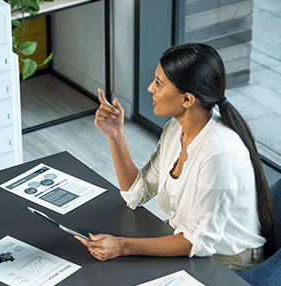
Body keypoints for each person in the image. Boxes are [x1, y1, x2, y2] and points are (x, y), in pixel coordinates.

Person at [79, 43, 275, 272]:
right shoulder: (175, 128)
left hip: (227, 261)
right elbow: (137, 193)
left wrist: (123, 246)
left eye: (159, 84)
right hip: (187, 241)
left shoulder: (219, 154)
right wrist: (115, 135)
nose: (150, 88)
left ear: (187, 100)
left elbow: (198, 242)